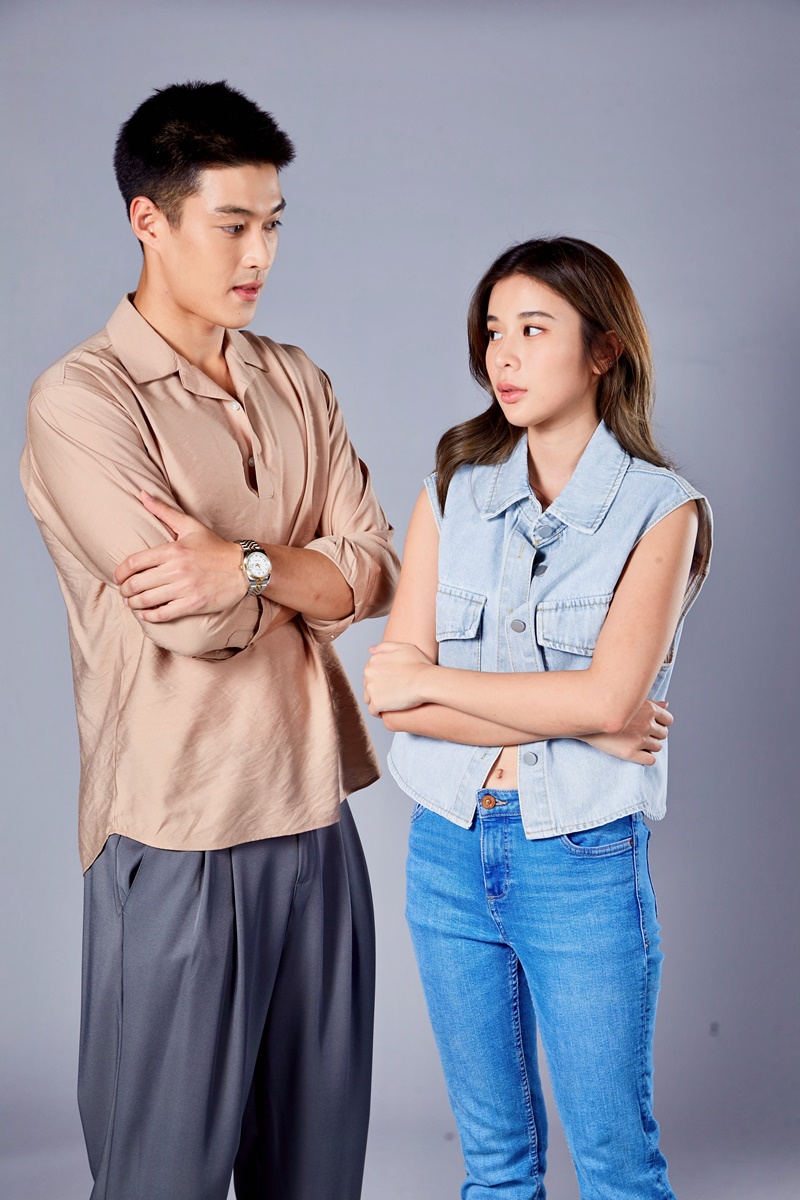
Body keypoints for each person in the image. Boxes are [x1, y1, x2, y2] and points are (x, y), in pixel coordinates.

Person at [21, 80, 399, 1200]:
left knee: (317, 1176)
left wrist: (242, 562)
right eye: (232, 225)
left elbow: (378, 568)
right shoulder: (81, 400)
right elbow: (193, 618)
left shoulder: (297, 379)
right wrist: (302, 574)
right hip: (177, 824)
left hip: (317, 814)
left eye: (273, 223)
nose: (260, 254)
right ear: (149, 219)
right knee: (161, 1178)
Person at [364, 237, 712, 1199]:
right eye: (492, 332)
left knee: (617, 1168)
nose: (502, 355)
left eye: (532, 329)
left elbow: (604, 698)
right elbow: (392, 695)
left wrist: (450, 686)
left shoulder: (663, 511)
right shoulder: (450, 492)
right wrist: (584, 720)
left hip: (582, 857)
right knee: (495, 1168)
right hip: (447, 848)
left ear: (603, 350)